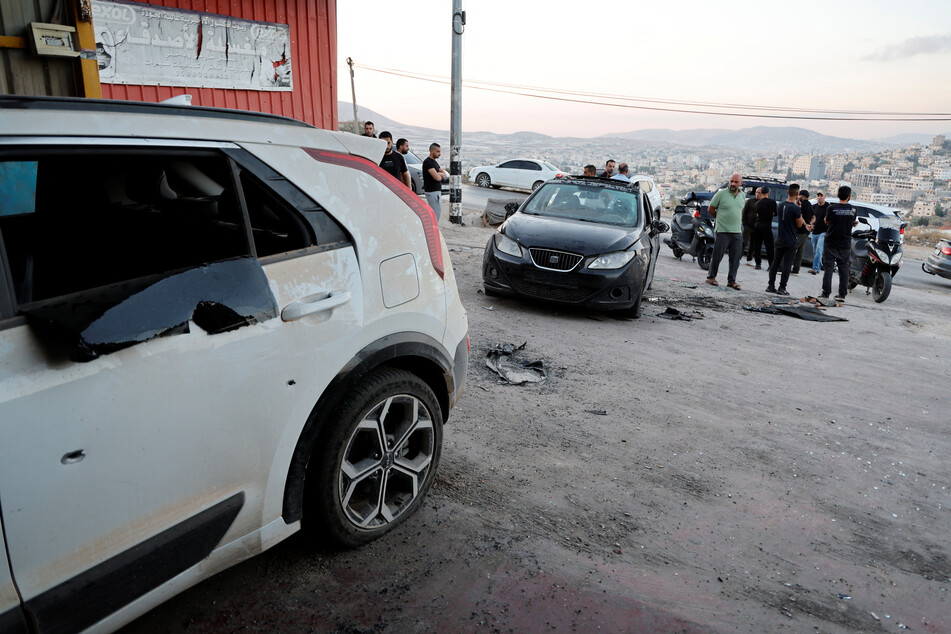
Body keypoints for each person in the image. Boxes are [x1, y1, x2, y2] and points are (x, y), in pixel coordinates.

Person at [705, 173, 745, 290]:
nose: (733, 184)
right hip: (722, 231)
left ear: (740, 183)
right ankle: (711, 277)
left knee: (735, 258)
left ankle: (731, 281)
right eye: (731, 181)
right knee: (717, 256)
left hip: (737, 232)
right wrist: (720, 219)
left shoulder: (742, 195)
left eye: (736, 182)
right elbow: (711, 209)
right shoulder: (721, 193)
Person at [820, 185, 858, 301]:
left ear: (837, 195)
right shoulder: (853, 210)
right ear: (849, 196)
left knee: (829, 268)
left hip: (831, 241)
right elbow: (851, 222)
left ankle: (826, 293)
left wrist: (827, 221)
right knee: (844, 269)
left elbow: (828, 222)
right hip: (845, 243)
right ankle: (842, 295)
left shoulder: (831, 208)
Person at [766, 184, 805, 296]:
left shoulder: (780, 204)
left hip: (780, 238)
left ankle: (770, 285)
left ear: (787, 192)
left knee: (775, 263)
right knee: (787, 265)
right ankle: (782, 287)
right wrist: (799, 211)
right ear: (797, 194)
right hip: (791, 240)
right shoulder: (796, 208)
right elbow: (799, 225)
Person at [749, 186, 776, 270]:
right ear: (768, 193)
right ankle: (771, 264)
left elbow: (757, 214)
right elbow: (774, 213)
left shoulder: (758, 203)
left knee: (757, 245)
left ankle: (758, 264)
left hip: (758, 225)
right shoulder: (772, 202)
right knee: (769, 246)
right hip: (767, 226)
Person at [791, 189, 815, 275]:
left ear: (803, 196)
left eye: (799, 195)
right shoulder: (810, 205)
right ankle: (796, 269)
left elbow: (799, 216)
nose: (798, 196)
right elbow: (813, 216)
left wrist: (805, 224)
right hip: (806, 231)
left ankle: (785, 266)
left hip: (800, 230)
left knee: (792, 248)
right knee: (800, 251)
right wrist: (810, 224)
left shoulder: (801, 204)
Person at [422, 143, 447, 220]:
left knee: (437, 213)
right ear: (431, 151)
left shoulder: (434, 162)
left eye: (440, 151)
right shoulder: (428, 162)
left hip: (436, 192)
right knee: (435, 215)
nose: (439, 154)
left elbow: (444, 173)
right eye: (438, 151)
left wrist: (439, 173)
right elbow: (437, 178)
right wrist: (439, 174)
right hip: (432, 192)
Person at [809, 192, 830, 274]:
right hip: (814, 232)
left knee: (818, 250)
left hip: (824, 232)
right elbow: (811, 218)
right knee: (815, 251)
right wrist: (811, 225)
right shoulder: (814, 207)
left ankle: (815, 268)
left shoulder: (828, 207)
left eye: (821, 196)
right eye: (818, 196)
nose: (819, 197)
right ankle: (817, 266)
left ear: (825, 196)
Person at [741, 189, 760, 262]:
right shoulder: (750, 201)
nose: (757, 194)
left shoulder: (762, 203)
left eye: (759, 193)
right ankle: (739, 256)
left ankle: (749, 257)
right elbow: (744, 212)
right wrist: (744, 223)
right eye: (756, 192)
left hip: (757, 227)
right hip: (748, 226)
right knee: (744, 242)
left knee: (753, 244)